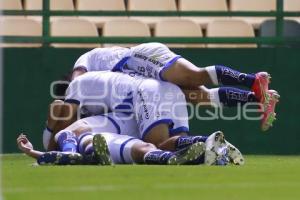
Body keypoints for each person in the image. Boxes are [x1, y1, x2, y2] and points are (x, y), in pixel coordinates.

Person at [45, 71, 245, 165]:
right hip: (167, 88)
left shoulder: (77, 86)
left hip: (146, 93)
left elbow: (64, 126)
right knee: (167, 142)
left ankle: (189, 152)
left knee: (156, 144)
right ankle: (211, 145)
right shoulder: (106, 97)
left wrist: (52, 149)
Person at [70, 43, 279, 131]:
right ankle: (260, 98)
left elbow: (76, 83)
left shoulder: (84, 65)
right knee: (201, 98)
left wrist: (68, 110)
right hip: (140, 80)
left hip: (136, 58)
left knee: (194, 76)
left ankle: (253, 80)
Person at [17, 113, 221, 166]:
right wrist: (33, 153)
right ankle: (91, 156)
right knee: (142, 151)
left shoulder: (81, 125)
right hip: (97, 142)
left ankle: (174, 158)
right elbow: (68, 152)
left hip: (106, 140)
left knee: (147, 147)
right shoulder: (65, 133)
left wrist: (33, 153)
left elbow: (65, 155)